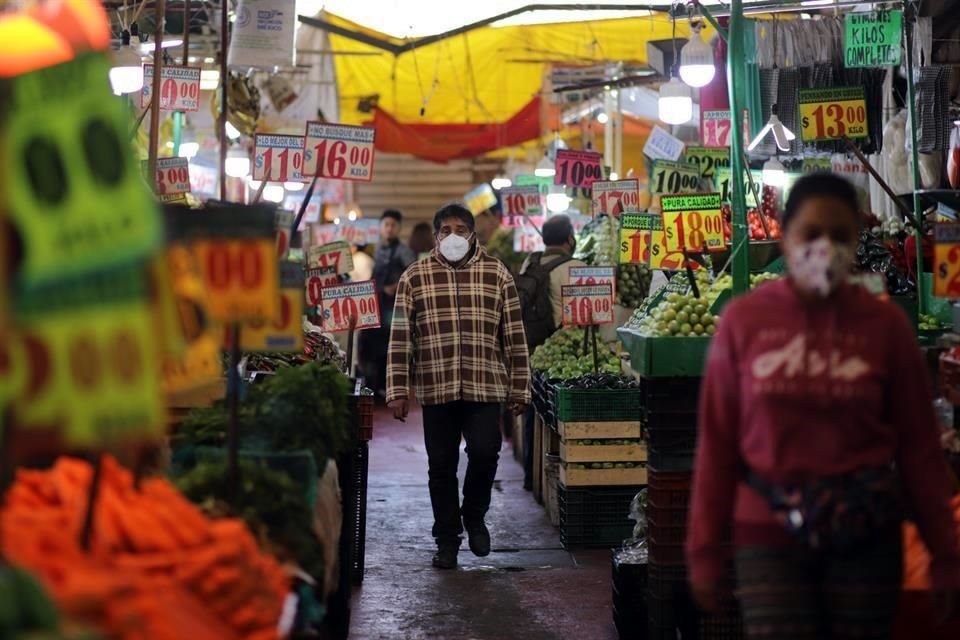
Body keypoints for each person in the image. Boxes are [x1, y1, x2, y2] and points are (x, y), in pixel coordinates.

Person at [687, 173, 960, 639]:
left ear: (856, 239)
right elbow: (717, 444)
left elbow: (919, 451)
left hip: (866, 538)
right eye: (811, 235)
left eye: (839, 236)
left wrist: (946, 554)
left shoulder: (886, 327)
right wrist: (704, 550)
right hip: (769, 536)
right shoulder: (744, 322)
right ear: (785, 238)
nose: (824, 248)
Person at [386, 203, 531, 570]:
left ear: (472, 234)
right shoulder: (414, 277)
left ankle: (475, 514)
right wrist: (398, 389)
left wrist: (520, 386)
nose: (454, 236)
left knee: (485, 452)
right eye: (446, 229)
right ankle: (447, 540)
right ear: (436, 236)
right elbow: (401, 337)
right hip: (437, 385)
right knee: (441, 465)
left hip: (485, 385)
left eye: (461, 229)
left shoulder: (497, 273)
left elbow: (514, 335)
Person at [516, 215, 585, 490]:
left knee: (535, 410)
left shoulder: (529, 263)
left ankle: (531, 478)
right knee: (559, 416)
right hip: (563, 348)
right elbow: (584, 314)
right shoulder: (577, 267)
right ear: (570, 238)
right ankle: (559, 482)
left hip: (533, 347)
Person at [361, 210, 415, 398]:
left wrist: (397, 286)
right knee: (372, 345)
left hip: (394, 309)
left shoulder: (404, 251)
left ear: (399, 228)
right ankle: (373, 386)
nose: (390, 229)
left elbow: (413, 276)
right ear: (381, 227)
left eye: (393, 225)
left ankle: (388, 387)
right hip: (374, 306)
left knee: (390, 346)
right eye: (386, 225)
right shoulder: (376, 250)